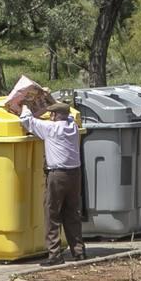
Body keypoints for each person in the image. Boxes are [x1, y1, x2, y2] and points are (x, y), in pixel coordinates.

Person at [19, 100, 85, 265]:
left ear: (55, 116)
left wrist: (25, 106)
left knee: (52, 214)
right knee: (72, 213)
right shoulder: (73, 127)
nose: (50, 117)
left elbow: (28, 122)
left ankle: (54, 255)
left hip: (58, 175)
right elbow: (68, 117)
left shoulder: (52, 129)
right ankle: (79, 252)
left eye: (52, 114)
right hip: (75, 175)